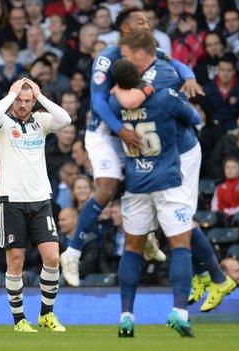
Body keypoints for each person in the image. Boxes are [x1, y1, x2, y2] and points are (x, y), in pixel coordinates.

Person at [60, 6, 203, 287]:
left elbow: (175, 62)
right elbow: (98, 102)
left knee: (147, 182)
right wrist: (119, 129)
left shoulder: (146, 51)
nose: (147, 25)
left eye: (148, 21)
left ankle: (147, 235)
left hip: (133, 130)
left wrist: (189, 76)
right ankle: (73, 252)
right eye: (140, 21)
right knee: (108, 187)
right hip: (105, 131)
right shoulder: (108, 58)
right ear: (125, 28)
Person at [110, 30, 236, 312]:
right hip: (165, 154)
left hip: (182, 153)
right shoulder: (156, 66)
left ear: (141, 54)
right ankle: (207, 276)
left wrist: (115, 89)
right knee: (179, 222)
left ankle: (216, 277)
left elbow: (132, 101)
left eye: (127, 56)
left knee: (180, 222)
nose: (125, 61)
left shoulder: (162, 76)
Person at [109, 59, 200, 338]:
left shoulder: (115, 105)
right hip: (167, 181)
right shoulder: (164, 97)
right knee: (180, 245)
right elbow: (195, 119)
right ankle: (179, 311)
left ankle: (126, 316)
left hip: (136, 182)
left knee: (133, 248)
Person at [0, 77, 71, 333]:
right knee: (16, 260)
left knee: (53, 258)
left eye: (27, 101)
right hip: (12, 201)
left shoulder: (41, 121)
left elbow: (65, 119)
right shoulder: (1, 123)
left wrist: (40, 96)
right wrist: (12, 94)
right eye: (18, 100)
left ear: (33, 102)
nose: (22, 105)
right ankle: (19, 319)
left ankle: (46, 315)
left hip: (41, 199)